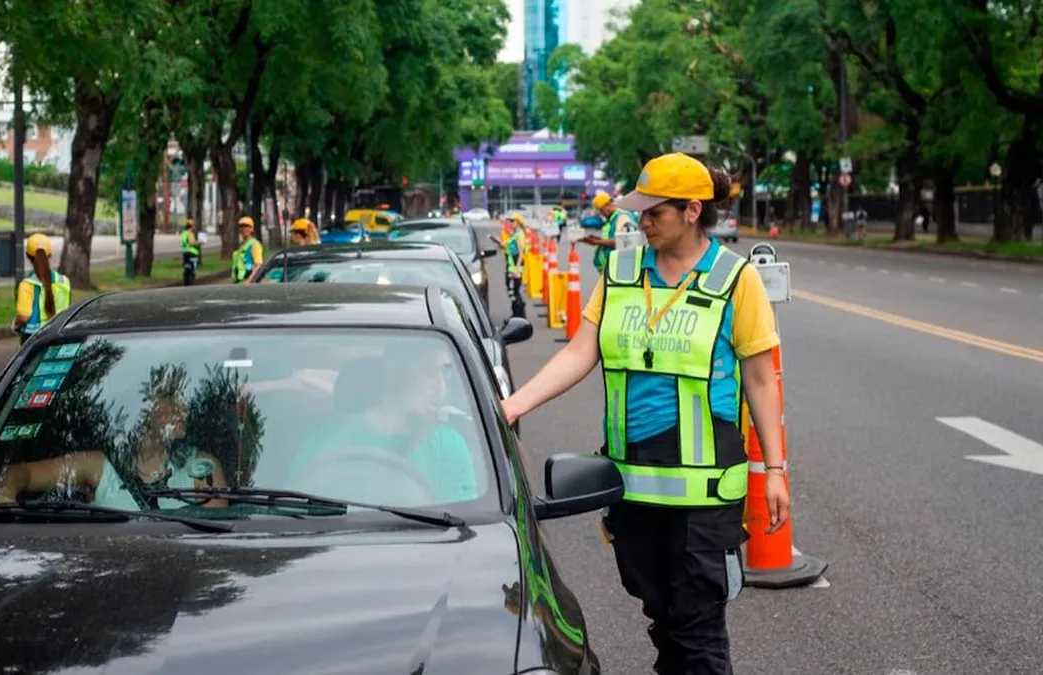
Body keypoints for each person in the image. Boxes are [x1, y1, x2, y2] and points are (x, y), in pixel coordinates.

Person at [501, 152, 791, 675]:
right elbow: (581, 352)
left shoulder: (735, 279)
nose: (642, 221)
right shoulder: (620, 272)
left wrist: (774, 470)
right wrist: (511, 406)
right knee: (663, 619)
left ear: (692, 211)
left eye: (655, 211)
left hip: (704, 494)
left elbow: (760, 379)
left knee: (698, 629)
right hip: (633, 487)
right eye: (639, 211)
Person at [0, 367, 228, 509]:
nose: (182, 408)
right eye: (170, 397)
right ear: (142, 409)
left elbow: (217, 543)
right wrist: (5, 496)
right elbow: (19, 474)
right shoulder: (98, 466)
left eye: (182, 398)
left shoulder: (202, 469)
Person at [287, 343, 478, 504]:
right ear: (395, 371)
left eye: (445, 374)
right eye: (429, 372)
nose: (441, 388)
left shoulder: (447, 445)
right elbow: (298, 505)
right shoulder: (326, 436)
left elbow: (460, 522)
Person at [12, 234, 71, 346]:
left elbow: (23, 317)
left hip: (33, 339)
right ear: (50, 255)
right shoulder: (64, 281)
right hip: (59, 333)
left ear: (27, 256)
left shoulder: (27, 285)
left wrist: (15, 324)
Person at [582, 190, 639, 274]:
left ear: (608, 205)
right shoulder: (612, 219)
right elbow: (612, 238)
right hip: (610, 270)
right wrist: (595, 239)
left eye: (601, 210)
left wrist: (596, 241)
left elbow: (623, 242)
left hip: (618, 269)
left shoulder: (622, 217)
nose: (601, 213)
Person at [505, 213, 528, 319]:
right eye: (510, 221)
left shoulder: (519, 235)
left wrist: (517, 269)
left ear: (518, 222)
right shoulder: (514, 234)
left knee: (515, 290)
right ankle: (516, 313)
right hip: (511, 265)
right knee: (512, 289)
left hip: (516, 266)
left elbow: (521, 253)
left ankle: (520, 314)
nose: (511, 223)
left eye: (513, 221)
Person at [232, 216, 264, 284]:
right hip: (238, 282)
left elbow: (258, 265)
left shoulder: (254, 244)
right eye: (241, 226)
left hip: (247, 283)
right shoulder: (242, 245)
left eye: (247, 226)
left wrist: (248, 281)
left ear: (252, 229)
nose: (244, 229)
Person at [180, 217, 202, 286]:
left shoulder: (183, 233)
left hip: (185, 252)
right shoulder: (190, 233)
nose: (194, 227)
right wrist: (199, 242)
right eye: (193, 225)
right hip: (192, 253)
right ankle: (191, 281)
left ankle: (185, 281)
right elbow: (192, 242)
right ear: (191, 226)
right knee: (193, 269)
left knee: (186, 267)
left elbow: (184, 243)